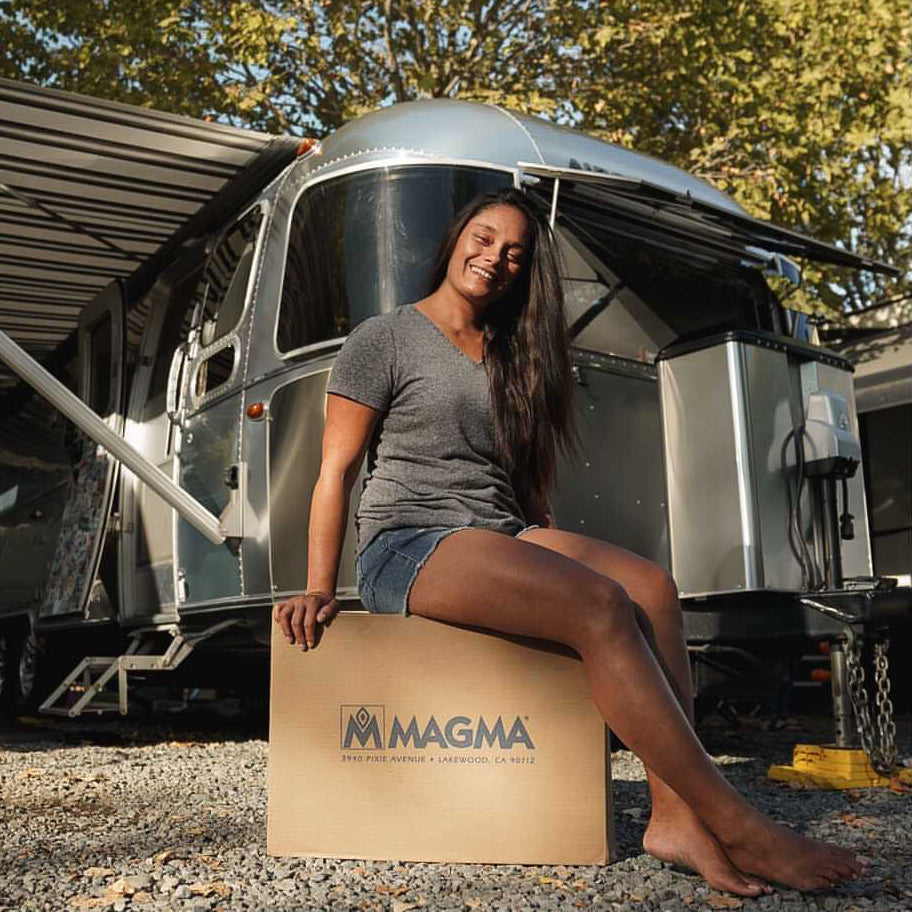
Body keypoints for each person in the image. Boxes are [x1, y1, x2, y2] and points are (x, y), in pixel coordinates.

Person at [274, 187, 865, 895]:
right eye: (485, 238)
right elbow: (334, 471)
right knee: (597, 606)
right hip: (411, 539)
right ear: (457, 237)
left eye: (515, 255)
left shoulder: (511, 351)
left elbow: (519, 478)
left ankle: (675, 818)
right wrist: (316, 585)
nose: (494, 259)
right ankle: (735, 822)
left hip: (496, 529)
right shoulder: (386, 338)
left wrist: (543, 542)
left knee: (650, 587)